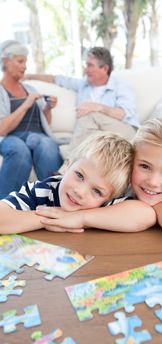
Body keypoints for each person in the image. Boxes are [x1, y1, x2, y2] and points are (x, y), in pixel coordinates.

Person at [36, 118, 162, 244]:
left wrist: (152, 208)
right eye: (144, 166)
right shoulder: (121, 180)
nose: (152, 182)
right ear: (131, 162)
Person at [0, 131, 143, 234]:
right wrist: (54, 219)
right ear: (67, 165)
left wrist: (79, 219)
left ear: (109, 198)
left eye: (97, 191)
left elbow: (145, 214)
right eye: (80, 175)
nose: (80, 192)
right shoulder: (42, 190)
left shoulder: (105, 205)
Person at [25, 46, 139, 162]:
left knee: (88, 114)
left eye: (90, 65)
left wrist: (96, 107)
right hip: (100, 136)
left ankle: (67, 164)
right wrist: (29, 76)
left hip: (125, 131)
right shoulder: (83, 85)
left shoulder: (121, 86)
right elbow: (56, 79)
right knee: (91, 137)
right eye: (86, 65)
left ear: (104, 69)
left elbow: (124, 114)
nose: (86, 70)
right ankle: (72, 168)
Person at [0, 40, 63, 199]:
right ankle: (6, 207)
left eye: (25, 62)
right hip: (12, 137)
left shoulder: (30, 89)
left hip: (38, 136)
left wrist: (48, 108)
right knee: (19, 150)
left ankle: (54, 201)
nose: (25, 66)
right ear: (5, 62)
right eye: (20, 61)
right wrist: (26, 105)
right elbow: (2, 129)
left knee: (46, 144)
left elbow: (45, 124)